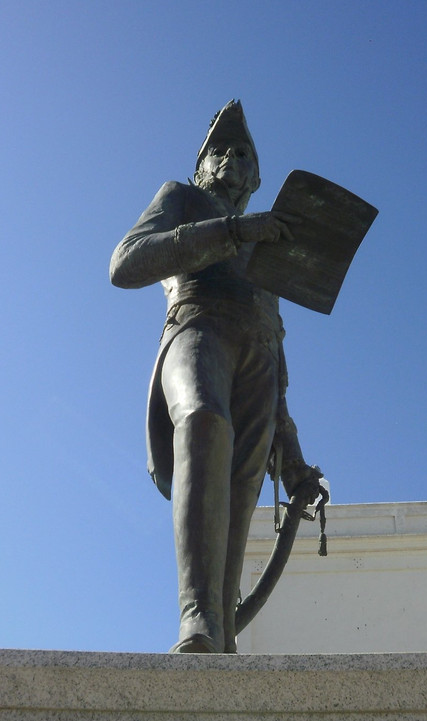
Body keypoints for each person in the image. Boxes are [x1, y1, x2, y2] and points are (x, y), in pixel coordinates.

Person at [110, 100, 320, 653]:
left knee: (242, 490)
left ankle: (220, 635)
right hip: (196, 327)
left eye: (242, 153)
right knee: (204, 420)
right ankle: (197, 615)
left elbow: (274, 333)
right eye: (218, 151)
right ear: (201, 167)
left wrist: (292, 456)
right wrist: (229, 230)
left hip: (260, 362)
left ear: (256, 176)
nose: (229, 157)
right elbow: (125, 264)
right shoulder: (181, 198)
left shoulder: (269, 239)